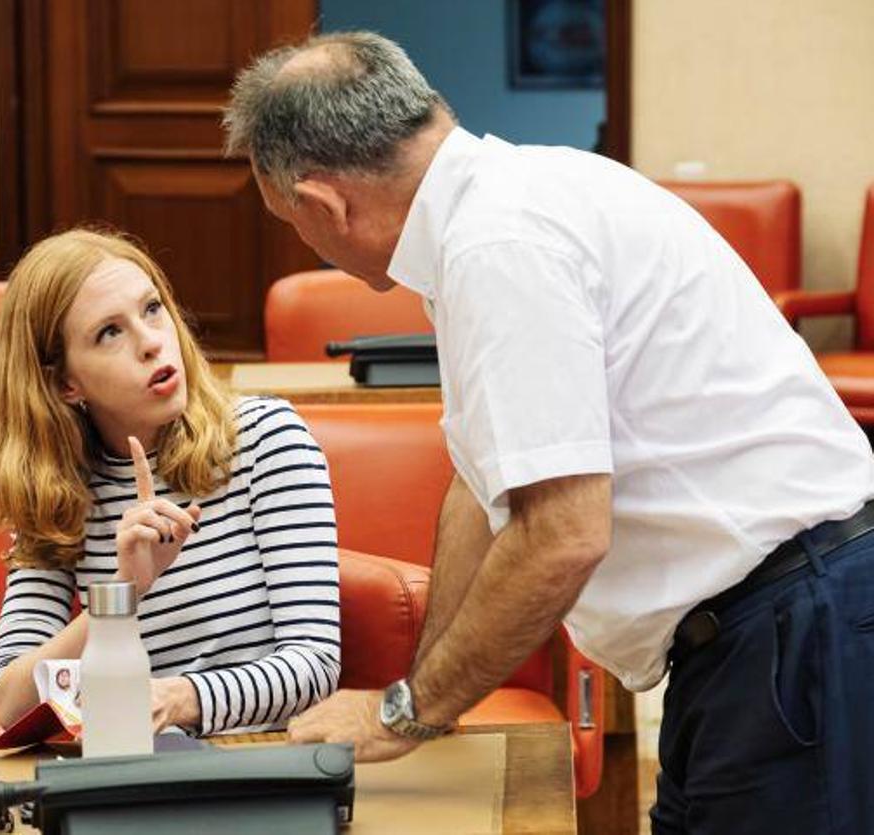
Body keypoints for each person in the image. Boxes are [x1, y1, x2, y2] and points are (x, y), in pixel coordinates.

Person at [225, 31, 874, 834]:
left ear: (325, 203)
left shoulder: (499, 246)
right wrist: (431, 696)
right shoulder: (510, 200)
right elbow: (478, 487)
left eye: (291, 220)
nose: (304, 237)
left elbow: (563, 533)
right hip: (766, 621)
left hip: (792, 621)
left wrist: (405, 711)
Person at [0, 228, 340, 738]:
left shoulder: (265, 438)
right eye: (109, 332)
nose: (150, 342)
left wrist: (178, 700)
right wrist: (122, 592)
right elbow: (12, 702)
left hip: (260, 759)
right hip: (140, 768)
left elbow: (314, 667)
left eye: (151, 309)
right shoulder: (62, 492)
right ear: (64, 383)